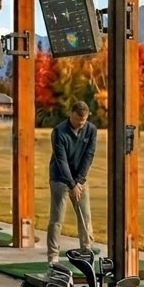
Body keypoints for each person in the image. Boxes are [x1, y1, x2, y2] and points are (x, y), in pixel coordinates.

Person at [46, 101, 97, 264]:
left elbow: (89, 156)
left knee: (85, 216)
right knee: (57, 219)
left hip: (79, 180)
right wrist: (71, 184)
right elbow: (61, 161)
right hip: (60, 178)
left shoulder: (91, 130)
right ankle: (53, 256)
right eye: (77, 120)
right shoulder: (58, 132)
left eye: (83, 121)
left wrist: (79, 181)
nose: (80, 124)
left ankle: (86, 251)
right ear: (71, 114)